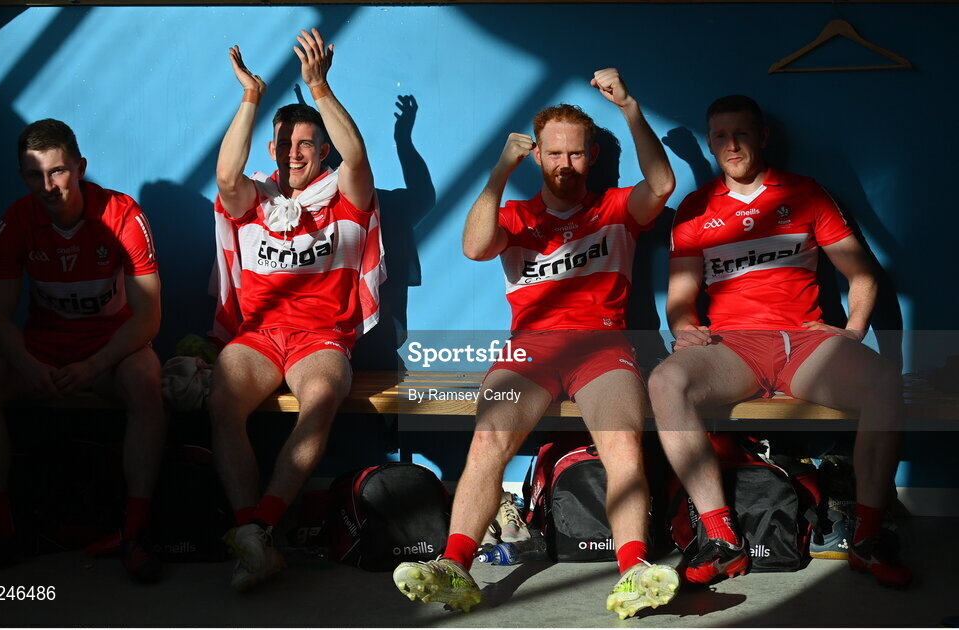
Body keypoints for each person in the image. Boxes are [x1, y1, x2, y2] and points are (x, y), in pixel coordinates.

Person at [393, 69, 678, 618]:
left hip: (603, 349)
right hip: (530, 351)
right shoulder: (518, 217)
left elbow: (662, 186)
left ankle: (634, 572)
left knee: (622, 443)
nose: (564, 165)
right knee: (488, 439)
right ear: (538, 156)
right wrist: (501, 170)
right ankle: (455, 567)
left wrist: (630, 109)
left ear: (590, 156)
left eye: (574, 154)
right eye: (553, 154)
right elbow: (475, 246)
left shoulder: (615, 209)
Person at [649, 94, 911, 588]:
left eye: (742, 134)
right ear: (710, 143)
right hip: (733, 347)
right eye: (721, 136)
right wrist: (685, 329)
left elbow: (862, 274)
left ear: (762, 137)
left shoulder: (806, 193)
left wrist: (853, 332)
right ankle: (721, 539)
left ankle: (868, 536)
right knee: (666, 382)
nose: (732, 145)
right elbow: (681, 298)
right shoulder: (695, 208)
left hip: (803, 345)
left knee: (882, 381)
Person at [0, 119, 167, 584]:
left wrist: (95, 364)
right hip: (43, 348)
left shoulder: (124, 214)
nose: (48, 186)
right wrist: (27, 364)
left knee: (147, 382)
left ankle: (134, 534)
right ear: (22, 177)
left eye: (59, 172)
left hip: (109, 349)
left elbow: (148, 318)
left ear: (80, 167)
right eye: (34, 175)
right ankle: (0, 532)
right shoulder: (16, 221)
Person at [211, 29, 380, 592]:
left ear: (321, 150)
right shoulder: (254, 198)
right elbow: (225, 178)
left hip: (320, 337)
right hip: (259, 335)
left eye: (306, 144)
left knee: (322, 399)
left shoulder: (344, 195)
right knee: (222, 402)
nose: (293, 154)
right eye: (284, 144)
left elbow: (357, 157)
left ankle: (259, 530)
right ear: (271, 150)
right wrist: (250, 99)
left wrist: (320, 88)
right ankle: (250, 534)